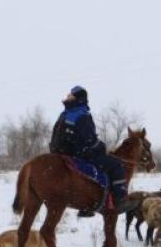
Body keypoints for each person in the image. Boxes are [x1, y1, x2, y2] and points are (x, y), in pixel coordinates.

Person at [49, 86, 127, 216]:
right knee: (116, 165)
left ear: (77, 98)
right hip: (80, 156)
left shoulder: (63, 115)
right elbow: (90, 141)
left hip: (58, 155)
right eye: (69, 95)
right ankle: (120, 201)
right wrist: (101, 147)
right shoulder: (82, 115)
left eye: (70, 95)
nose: (67, 97)